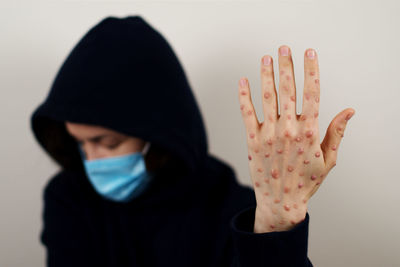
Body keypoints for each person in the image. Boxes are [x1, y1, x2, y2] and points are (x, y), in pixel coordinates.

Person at [30, 15, 354, 267]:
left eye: (109, 143)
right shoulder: (67, 197)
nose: (92, 160)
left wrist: (275, 227)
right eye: (80, 144)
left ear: (156, 134)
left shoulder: (232, 208)